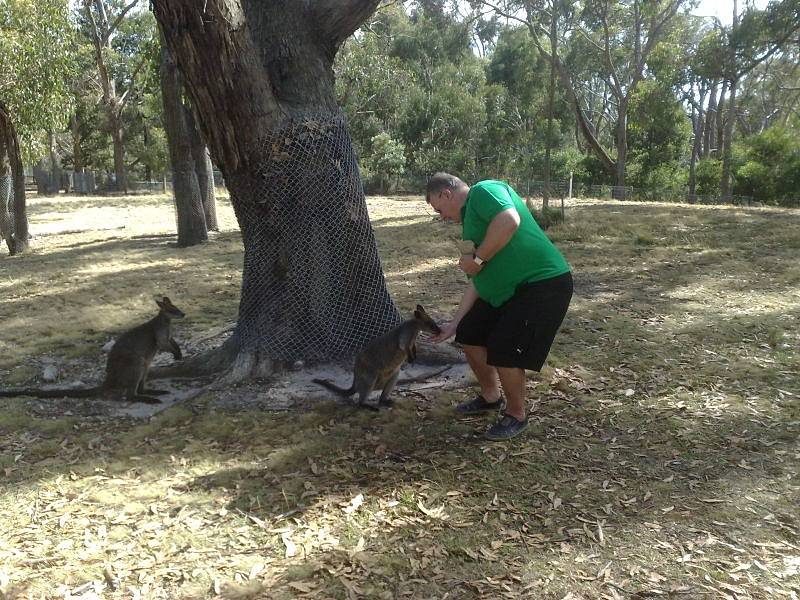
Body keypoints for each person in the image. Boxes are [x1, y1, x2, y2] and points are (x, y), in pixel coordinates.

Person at [426, 173, 573, 441]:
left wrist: (479, 259)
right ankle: (491, 396)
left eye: (439, 209)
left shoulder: (484, 191)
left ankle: (517, 414)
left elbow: (509, 220)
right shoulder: (471, 225)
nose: (442, 216)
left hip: (543, 283)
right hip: (508, 292)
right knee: (469, 333)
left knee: (505, 347)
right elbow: (478, 282)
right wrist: (454, 324)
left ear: (446, 194)